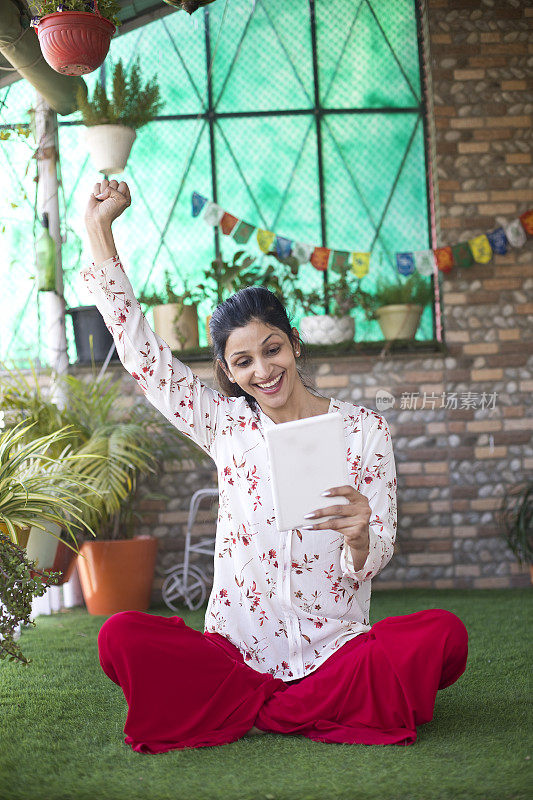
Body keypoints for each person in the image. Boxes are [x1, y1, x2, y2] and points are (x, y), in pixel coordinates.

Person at [84, 179, 468, 755]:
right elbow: (143, 354)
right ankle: (277, 707)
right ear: (228, 371)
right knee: (119, 635)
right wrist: (98, 230)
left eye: (272, 349)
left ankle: (267, 711)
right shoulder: (223, 424)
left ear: (293, 344)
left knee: (443, 635)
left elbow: (376, 554)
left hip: (333, 655)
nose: (263, 370)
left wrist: (361, 535)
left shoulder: (364, 429)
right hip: (236, 656)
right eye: (243, 362)